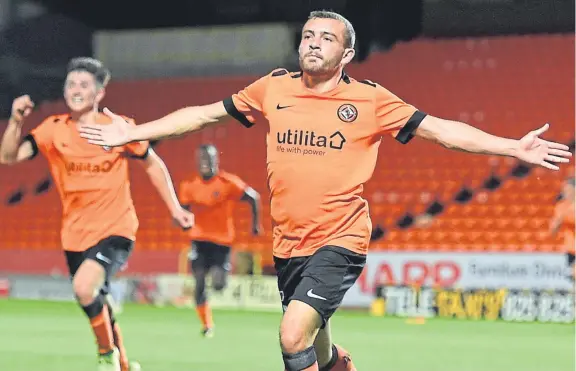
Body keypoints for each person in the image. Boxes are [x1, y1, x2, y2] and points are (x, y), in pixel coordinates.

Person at [78, 10, 572, 371]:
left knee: (292, 334)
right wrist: (133, 132)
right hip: (290, 243)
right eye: (308, 35)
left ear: (347, 53)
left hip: (341, 238)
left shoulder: (370, 98)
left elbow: (441, 129)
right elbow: (203, 113)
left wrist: (512, 147)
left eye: (326, 38)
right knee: (319, 350)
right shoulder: (273, 88)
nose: (313, 43)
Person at [0, 57, 194, 371]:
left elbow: (153, 163)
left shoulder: (117, 128)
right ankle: (124, 364)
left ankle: (106, 355)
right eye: (71, 84)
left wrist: (175, 208)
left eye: (84, 85)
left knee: (83, 288)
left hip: (117, 228)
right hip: (75, 234)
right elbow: (8, 157)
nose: (75, 90)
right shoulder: (52, 130)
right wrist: (15, 121)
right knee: (95, 300)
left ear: (99, 94)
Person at [179, 143, 261, 337]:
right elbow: (183, 210)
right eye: (201, 159)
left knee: (218, 284)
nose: (205, 162)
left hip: (222, 241)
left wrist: (256, 225)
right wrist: (183, 220)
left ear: (216, 160)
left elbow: (253, 198)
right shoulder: (189, 185)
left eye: (209, 158)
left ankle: (220, 278)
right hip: (199, 240)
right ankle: (207, 325)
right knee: (199, 281)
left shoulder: (227, 182)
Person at [550, 177, 575, 281]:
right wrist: (557, 222)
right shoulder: (561, 206)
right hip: (571, 248)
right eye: (565, 190)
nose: (566, 193)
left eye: (569, 190)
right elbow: (552, 231)